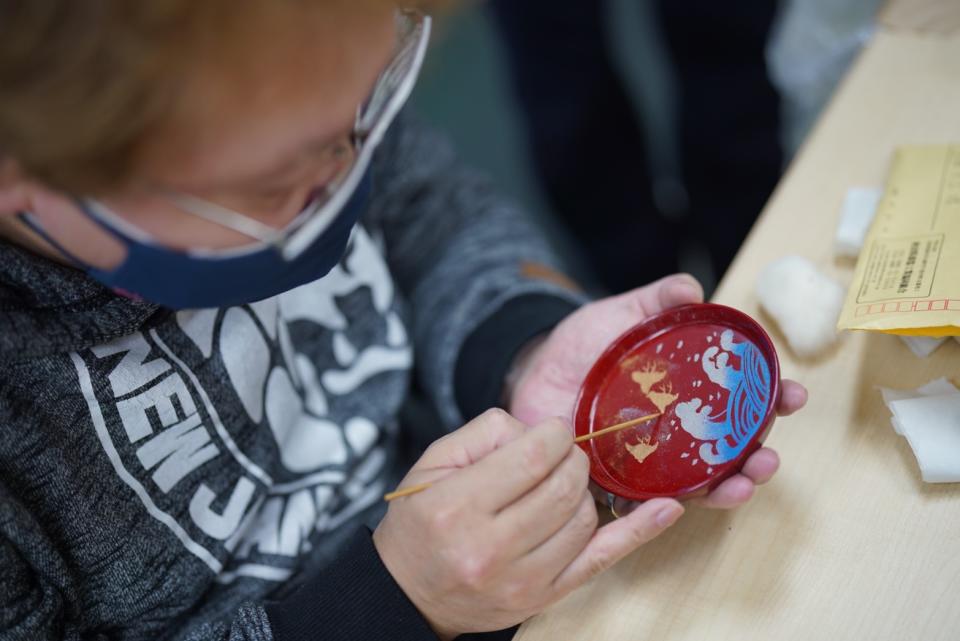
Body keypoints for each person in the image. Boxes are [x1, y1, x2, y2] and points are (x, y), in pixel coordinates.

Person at [0, 2, 807, 640]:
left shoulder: (296, 84)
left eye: (369, 108)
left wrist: (522, 346)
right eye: (281, 184)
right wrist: (394, 603)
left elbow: (427, 209)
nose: (349, 171)